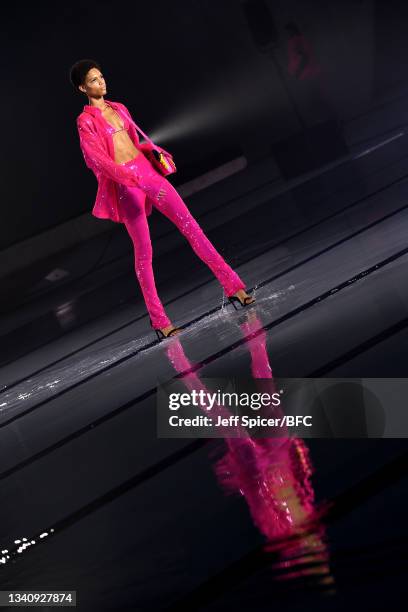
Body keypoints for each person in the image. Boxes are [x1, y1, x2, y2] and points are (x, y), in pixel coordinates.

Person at [69, 59, 255, 340]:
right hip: (125, 185)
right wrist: (124, 176)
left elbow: (133, 141)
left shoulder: (119, 108)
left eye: (102, 76)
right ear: (83, 87)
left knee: (193, 229)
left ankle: (235, 288)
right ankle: (160, 321)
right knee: (144, 253)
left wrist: (152, 151)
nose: (101, 82)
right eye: (94, 80)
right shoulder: (85, 120)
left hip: (148, 175)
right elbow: (95, 158)